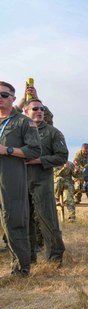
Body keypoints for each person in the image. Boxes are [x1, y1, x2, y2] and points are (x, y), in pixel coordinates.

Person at [0, 81, 41, 277]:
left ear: (13, 99)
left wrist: (7, 150)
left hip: (11, 179)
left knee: (14, 221)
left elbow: (34, 150)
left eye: (4, 95)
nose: (0, 97)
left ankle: (21, 268)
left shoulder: (23, 122)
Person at [23, 99, 68, 263]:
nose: (39, 111)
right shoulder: (19, 131)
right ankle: (28, 256)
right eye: (35, 108)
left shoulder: (52, 132)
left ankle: (55, 257)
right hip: (20, 182)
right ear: (26, 112)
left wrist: (38, 160)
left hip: (42, 181)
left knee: (48, 220)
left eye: (42, 109)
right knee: (24, 220)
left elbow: (62, 156)